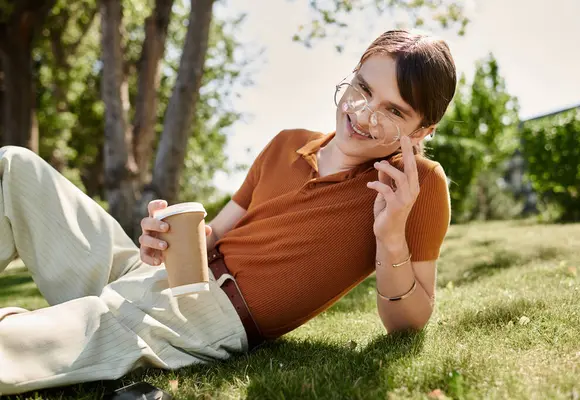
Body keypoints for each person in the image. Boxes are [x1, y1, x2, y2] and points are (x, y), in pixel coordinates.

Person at [0, 29, 456, 395]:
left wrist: (391, 234)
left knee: (14, 346)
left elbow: (408, 322)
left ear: (421, 130)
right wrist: (161, 238)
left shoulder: (417, 186)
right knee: (13, 166)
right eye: (362, 88)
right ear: (353, 74)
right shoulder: (285, 143)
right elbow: (214, 233)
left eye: (393, 110)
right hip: (154, 274)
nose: (363, 114)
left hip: (204, 314)